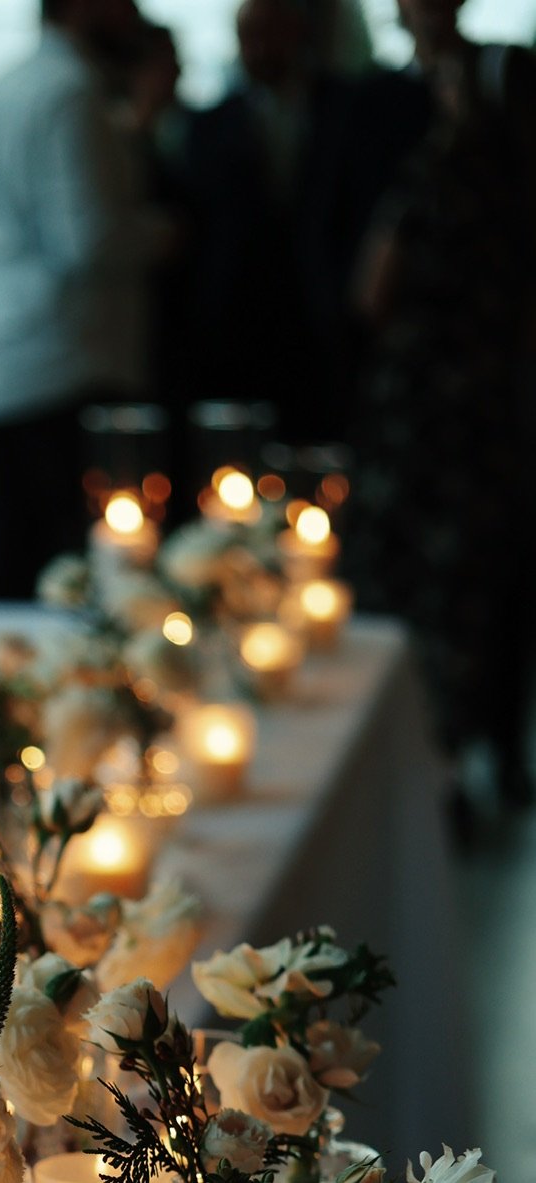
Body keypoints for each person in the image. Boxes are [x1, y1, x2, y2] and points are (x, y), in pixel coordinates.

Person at [347, 0, 536, 803]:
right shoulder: (403, 127)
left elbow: (371, 289)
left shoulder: (458, 155)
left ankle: (460, 752)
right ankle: (451, 755)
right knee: (453, 575)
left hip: (456, 393)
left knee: (463, 576)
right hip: (450, 395)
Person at [0, 0, 175, 598]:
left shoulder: (7, 85)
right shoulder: (71, 93)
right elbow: (88, 241)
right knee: (59, 574)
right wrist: (167, 234)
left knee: (3, 558)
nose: (132, 12)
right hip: (55, 359)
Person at [176, 0, 367, 438]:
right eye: (248, 37)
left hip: (323, 315)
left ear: (297, 33)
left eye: (270, 34)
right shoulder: (209, 124)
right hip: (239, 323)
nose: (259, 49)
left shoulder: (346, 108)